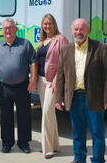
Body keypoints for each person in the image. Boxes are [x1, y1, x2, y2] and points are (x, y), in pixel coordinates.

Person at [55, 18, 107, 163]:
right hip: (74, 97)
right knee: (77, 132)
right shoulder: (66, 50)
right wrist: (58, 98)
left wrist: (106, 98)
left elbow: (106, 75)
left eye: (82, 29)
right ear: (72, 31)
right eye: (76, 29)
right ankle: (79, 158)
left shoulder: (101, 48)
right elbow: (60, 75)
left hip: (94, 98)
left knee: (97, 132)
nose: (78, 32)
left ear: (88, 31)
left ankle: (98, 160)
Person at [0, 18, 37, 154]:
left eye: (11, 27)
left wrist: (33, 80)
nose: (8, 30)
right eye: (6, 28)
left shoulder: (25, 44)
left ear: (16, 29)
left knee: (24, 116)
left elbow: (33, 63)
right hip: (4, 86)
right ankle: (7, 143)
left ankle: (24, 143)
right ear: (2, 30)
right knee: (6, 117)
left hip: (22, 86)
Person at [36, 14, 68, 159]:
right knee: (49, 114)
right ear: (42, 26)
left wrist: (57, 80)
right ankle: (54, 144)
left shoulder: (61, 39)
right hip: (41, 81)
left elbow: (65, 61)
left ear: (54, 25)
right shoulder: (41, 41)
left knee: (47, 113)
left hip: (52, 82)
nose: (47, 26)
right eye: (45, 24)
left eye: (50, 23)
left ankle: (47, 148)